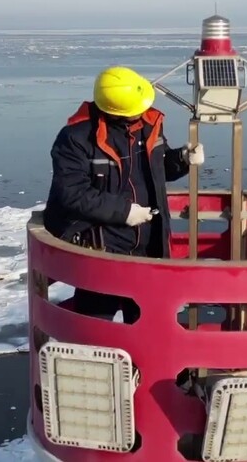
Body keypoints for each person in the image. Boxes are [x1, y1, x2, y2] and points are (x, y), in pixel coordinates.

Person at [43, 66, 204, 321]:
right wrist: (124, 212)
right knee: (95, 321)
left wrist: (180, 160)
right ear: (118, 111)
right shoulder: (77, 138)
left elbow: (155, 169)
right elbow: (72, 194)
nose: (143, 110)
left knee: (148, 319)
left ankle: (143, 362)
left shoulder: (149, 126)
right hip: (103, 249)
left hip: (149, 247)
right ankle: (94, 357)